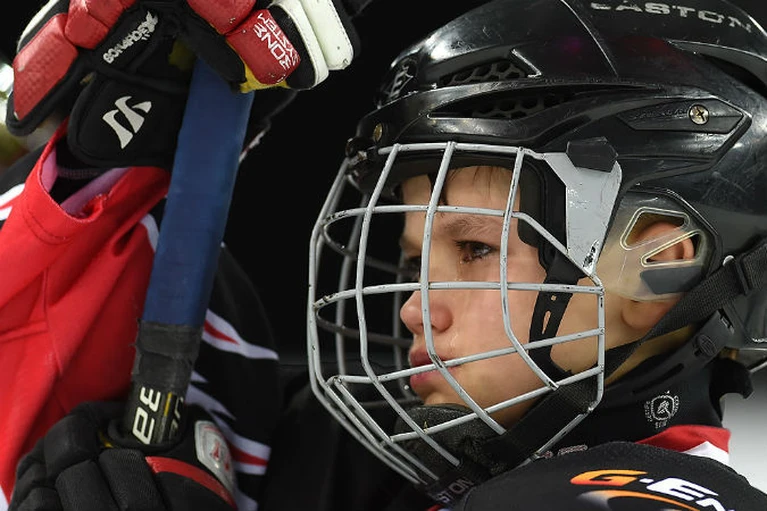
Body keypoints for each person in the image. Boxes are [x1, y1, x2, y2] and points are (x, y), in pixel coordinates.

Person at [5, 1, 767, 511]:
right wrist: (113, 168)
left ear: (657, 261)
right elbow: (47, 371)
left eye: (474, 247)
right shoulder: (374, 467)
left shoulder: (653, 498)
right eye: (413, 262)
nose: (412, 307)